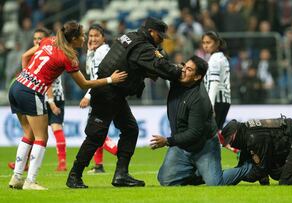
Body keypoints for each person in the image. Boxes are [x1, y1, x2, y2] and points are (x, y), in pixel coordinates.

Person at [8, 20, 127, 190]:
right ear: (74, 39)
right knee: (42, 137)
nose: (85, 38)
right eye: (82, 35)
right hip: (30, 91)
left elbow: (26, 56)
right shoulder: (69, 56)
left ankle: (16, 178)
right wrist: (110, 79)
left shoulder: (49, 40)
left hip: (16, 86)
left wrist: (28, 76)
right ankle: (30, 181)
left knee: (28, 134)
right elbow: (84, 84)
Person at [66, 17, 184, 189]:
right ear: (151, 32)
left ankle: (121, 175)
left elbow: (135, 64)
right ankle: (74, 176)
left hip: (114, 93)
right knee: (96, 135)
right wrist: (178, 71)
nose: (161, 41)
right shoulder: (143, 47)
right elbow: (161, 68)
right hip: (108, 93)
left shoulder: (130, 37)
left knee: (130, 129)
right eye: (160, 36)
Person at [150, 56, 252, 186]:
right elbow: (163, 68)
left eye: (189, 69)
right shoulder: (178, 78)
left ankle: (248, 167)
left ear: (197, 77)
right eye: (184, 67)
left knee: (215, 183)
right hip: (182, 145)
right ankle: (199, 173)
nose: (183, 71)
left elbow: (194, 133)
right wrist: (158, 54)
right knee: (166, 180)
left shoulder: (199, 99)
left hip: (204, 146)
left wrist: (167, 141)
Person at [8, 28, 68, 172]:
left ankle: (62, 162)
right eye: (35, 39)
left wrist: (52, 101)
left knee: (52, 129)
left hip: (53, 96)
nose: (37, 41)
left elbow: (48, 81)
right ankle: (24, 165)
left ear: (48, 40)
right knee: (34, 133)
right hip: (35, 93)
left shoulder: (49, 52)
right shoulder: (38, 54)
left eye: (40, 38)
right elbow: (24, 57)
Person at [80, 24, 118, 174]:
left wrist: (88, 96)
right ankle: (98, 165)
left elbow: (97, 77)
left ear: (103, 37)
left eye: (96, 36)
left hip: (100, 95)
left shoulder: (101, 53)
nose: (93, 39)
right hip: (104, 94)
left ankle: (119, 152)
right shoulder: (99, 51)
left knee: (94, 132)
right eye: (90, 36)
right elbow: (91, 71)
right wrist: (89, 51)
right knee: (98, 131)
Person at [201, 31, 231, 129]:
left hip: (217, 100)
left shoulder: (215, 59)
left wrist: (210, 104)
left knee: (210, 135)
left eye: (208, 42)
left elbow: (214, 83)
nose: (205, 46)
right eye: (203, 42)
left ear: (217, 43)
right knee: (217, 133)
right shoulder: (222, 57)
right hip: (225, 99)